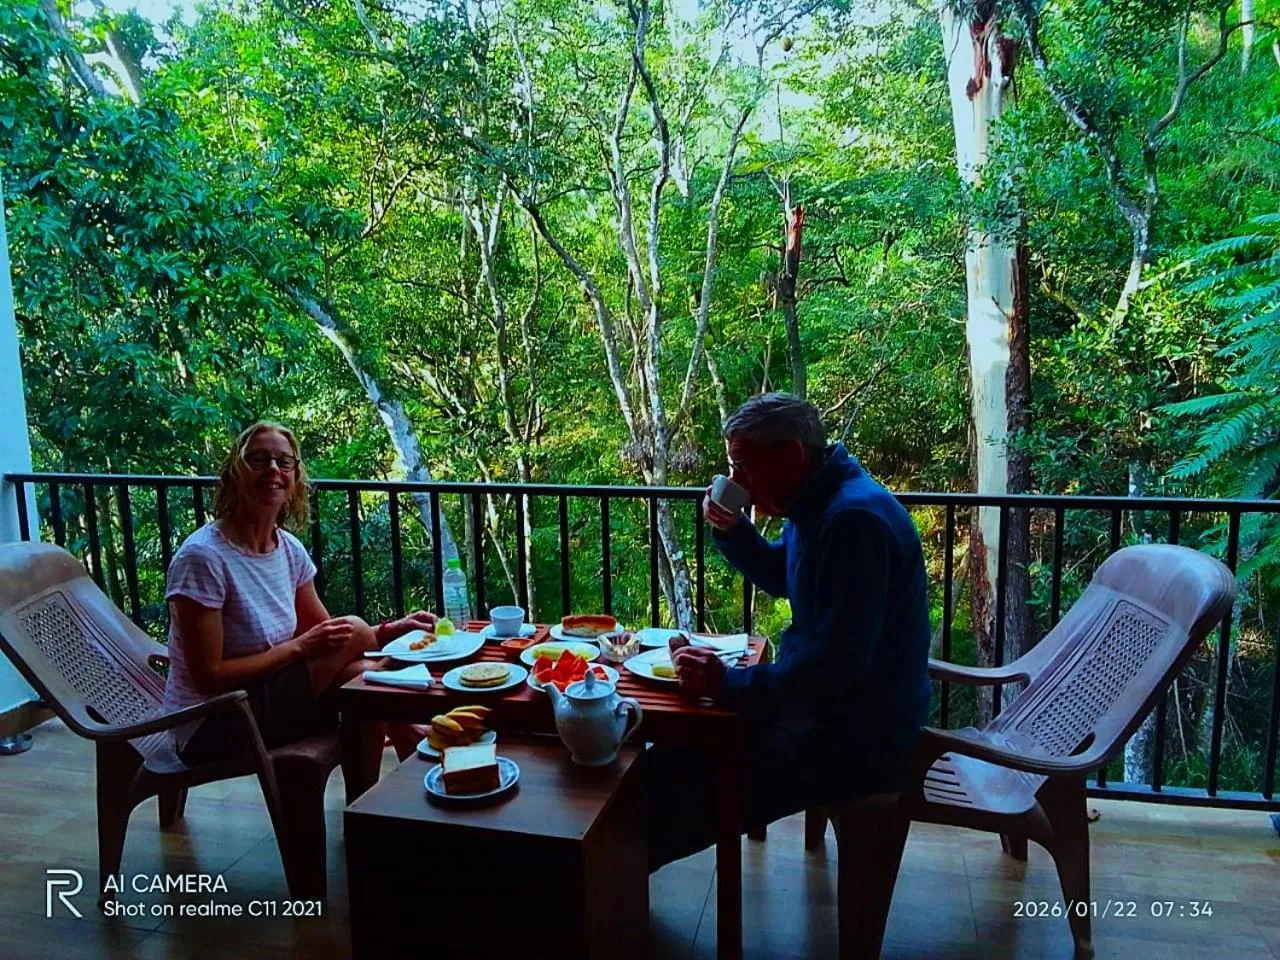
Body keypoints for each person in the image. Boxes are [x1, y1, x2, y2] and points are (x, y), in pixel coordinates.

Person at [649, 393, 931, 870]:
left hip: (857, 739)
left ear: (791, 456)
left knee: (672, 784)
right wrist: (733, 529)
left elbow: (835, 667)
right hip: (834, 714)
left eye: (742, 465)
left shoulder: (852, 522)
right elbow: (784, 574)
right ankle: (609, 889)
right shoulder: (819, 502)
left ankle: (599, 901)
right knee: (674, 762)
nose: (735, 480)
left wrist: (728, 682)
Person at [163, 420, 433, 770]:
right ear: (235, 473)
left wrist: (387, 631)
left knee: (364, 675)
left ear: (294, 478)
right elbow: (208, 676)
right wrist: (298, 648)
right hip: (214, 720)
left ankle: (363, 809)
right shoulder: (202, 558)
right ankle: (410, 740)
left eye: (283, 462)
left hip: (265, 695)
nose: (273, 469)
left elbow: (332, 638)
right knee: (365, 680)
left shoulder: (287, 549)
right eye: (258, 460)